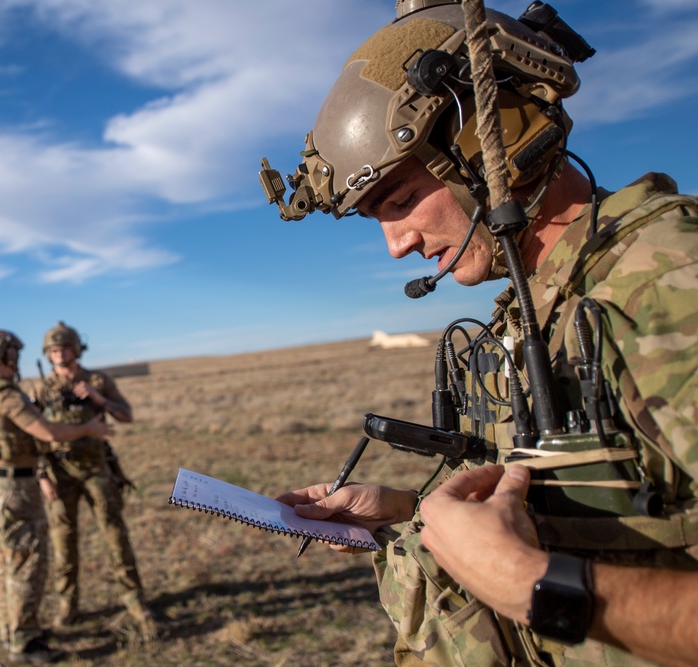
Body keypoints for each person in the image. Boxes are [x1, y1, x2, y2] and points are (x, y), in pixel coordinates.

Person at [267, 1, 698, 666]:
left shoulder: (668, 282)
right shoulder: (537, 310)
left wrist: (540, 589)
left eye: (401, 201)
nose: (396, 245)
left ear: (488, 138)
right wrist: (406, 512)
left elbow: (533, 570)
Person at [0, 326, 111, 664]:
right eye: (14, 353)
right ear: (5, 355)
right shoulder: (6, 395)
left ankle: (14, 632)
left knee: (5, 561)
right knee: (26, 561)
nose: (17, 359)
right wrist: (88, 429)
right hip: (16, 485)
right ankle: (25, 643)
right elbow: (49, 432)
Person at [32, 321, 158, 641]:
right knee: (64, 542)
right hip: (60, 474)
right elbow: (31, 438)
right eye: (53, 350)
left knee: (115, 535)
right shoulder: (41, 389)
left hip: (97, 470)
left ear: (76, 349)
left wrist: (99, 399)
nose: (59, 354)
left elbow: (126, 415)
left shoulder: (97, 380)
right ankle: (68, 605)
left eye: (64, 348)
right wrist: (42, 476)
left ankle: (135, 600)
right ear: (47, 354)